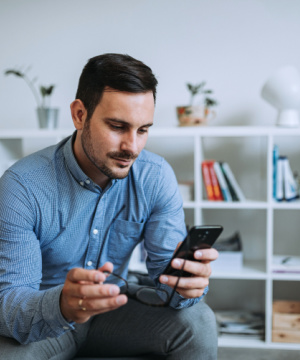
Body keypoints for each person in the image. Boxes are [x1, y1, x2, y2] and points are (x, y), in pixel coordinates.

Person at [0, 53, 219, 359]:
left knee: (199, 322)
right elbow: (8, 303)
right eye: (118, 127)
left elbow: (167, 283)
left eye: (142, 130)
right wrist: (63, 304)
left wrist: (185, 285)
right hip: (48, 317)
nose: (132, 147)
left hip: (113, 309)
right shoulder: (22, 186)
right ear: (79, 115)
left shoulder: (155, 178)